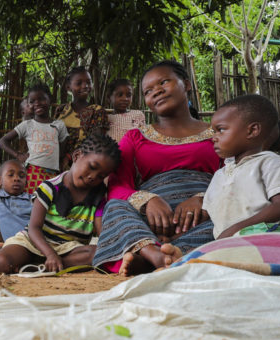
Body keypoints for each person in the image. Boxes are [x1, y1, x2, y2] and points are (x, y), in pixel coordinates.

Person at [92, 60, 221, 275]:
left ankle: (157, 256)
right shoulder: (134, 137)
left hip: (204, 215)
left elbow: (235, 176)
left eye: (164, 82)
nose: (157, 91)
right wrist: (148, 201)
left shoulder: (219, 134)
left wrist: (203, 199)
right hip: (151, 220)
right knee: (114, 208)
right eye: (148, 91)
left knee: (231, 220)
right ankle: (154, 253)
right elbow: (119, 185)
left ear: (187, 84)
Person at [0, 134, 121, 274]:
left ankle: (41, 267)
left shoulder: (99, 197)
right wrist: (50, 254)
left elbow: (102, 235)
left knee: (98, 253)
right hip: (34, 243)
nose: (93, 177)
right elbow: (34, 228)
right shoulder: (50, 187)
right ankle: (5, 255)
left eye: (101, 176)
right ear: (77, 156)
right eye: (92, 167)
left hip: (68, 249)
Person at [202, 94, 280, 239]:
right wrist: (175, 237)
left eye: (220, 130)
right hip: (230, 243)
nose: (214, 137)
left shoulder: (269, 162)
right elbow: (207, 215)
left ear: (252, 131)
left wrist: (235, 230)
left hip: (272, 235)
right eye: (214, 132)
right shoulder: (220, 175)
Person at [0, 83, 69, 194]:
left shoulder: (59, 125)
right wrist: (18, 155)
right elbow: (2, 142)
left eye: (41, 99)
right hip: (32, 172)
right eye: (32, 101)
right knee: (31, 203)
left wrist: (59, 161)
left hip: (53, 174)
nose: (37, 104)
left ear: (49, 100)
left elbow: (63, 147)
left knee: (49, 203)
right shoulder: (27, 125)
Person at [54, 66, 110, 168]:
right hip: (57, 166)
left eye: (88, 82)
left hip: (85, 166)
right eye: (79, 83)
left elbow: (95, 142)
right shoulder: (62, 110)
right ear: (68, 87)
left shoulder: (97, 111)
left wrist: (69, 156)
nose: (85, 86)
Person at [106, 79, 146, 143]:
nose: (125, 99)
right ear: (109, 98)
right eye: (120, 95)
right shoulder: (105, 119)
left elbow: (143, 139)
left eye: (129, 95)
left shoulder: (138, 115)